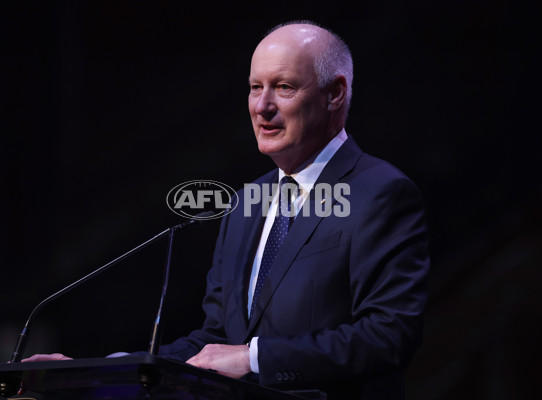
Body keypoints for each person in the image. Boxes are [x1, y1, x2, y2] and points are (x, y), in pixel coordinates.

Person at [24, 21, 430, 399]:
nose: (262, 106)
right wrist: (108, 370)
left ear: (335, 93)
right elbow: (215, 339)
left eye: (284, 87)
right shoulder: (245, 203)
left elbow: (387, 336)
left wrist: (254, 358)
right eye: (255, 88)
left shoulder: (381, 193)